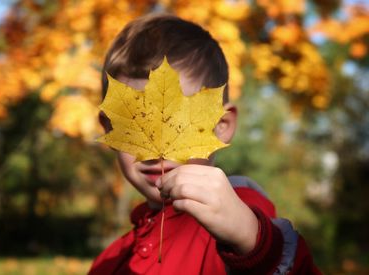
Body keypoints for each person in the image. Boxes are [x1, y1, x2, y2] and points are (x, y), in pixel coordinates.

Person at [89, 13, 321, 275]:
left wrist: (250, 239)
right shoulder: (110, 261)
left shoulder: (235, 221)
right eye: (134, 124)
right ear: (109, 128)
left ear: (222, 126)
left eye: (176, 123)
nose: (155, 154)